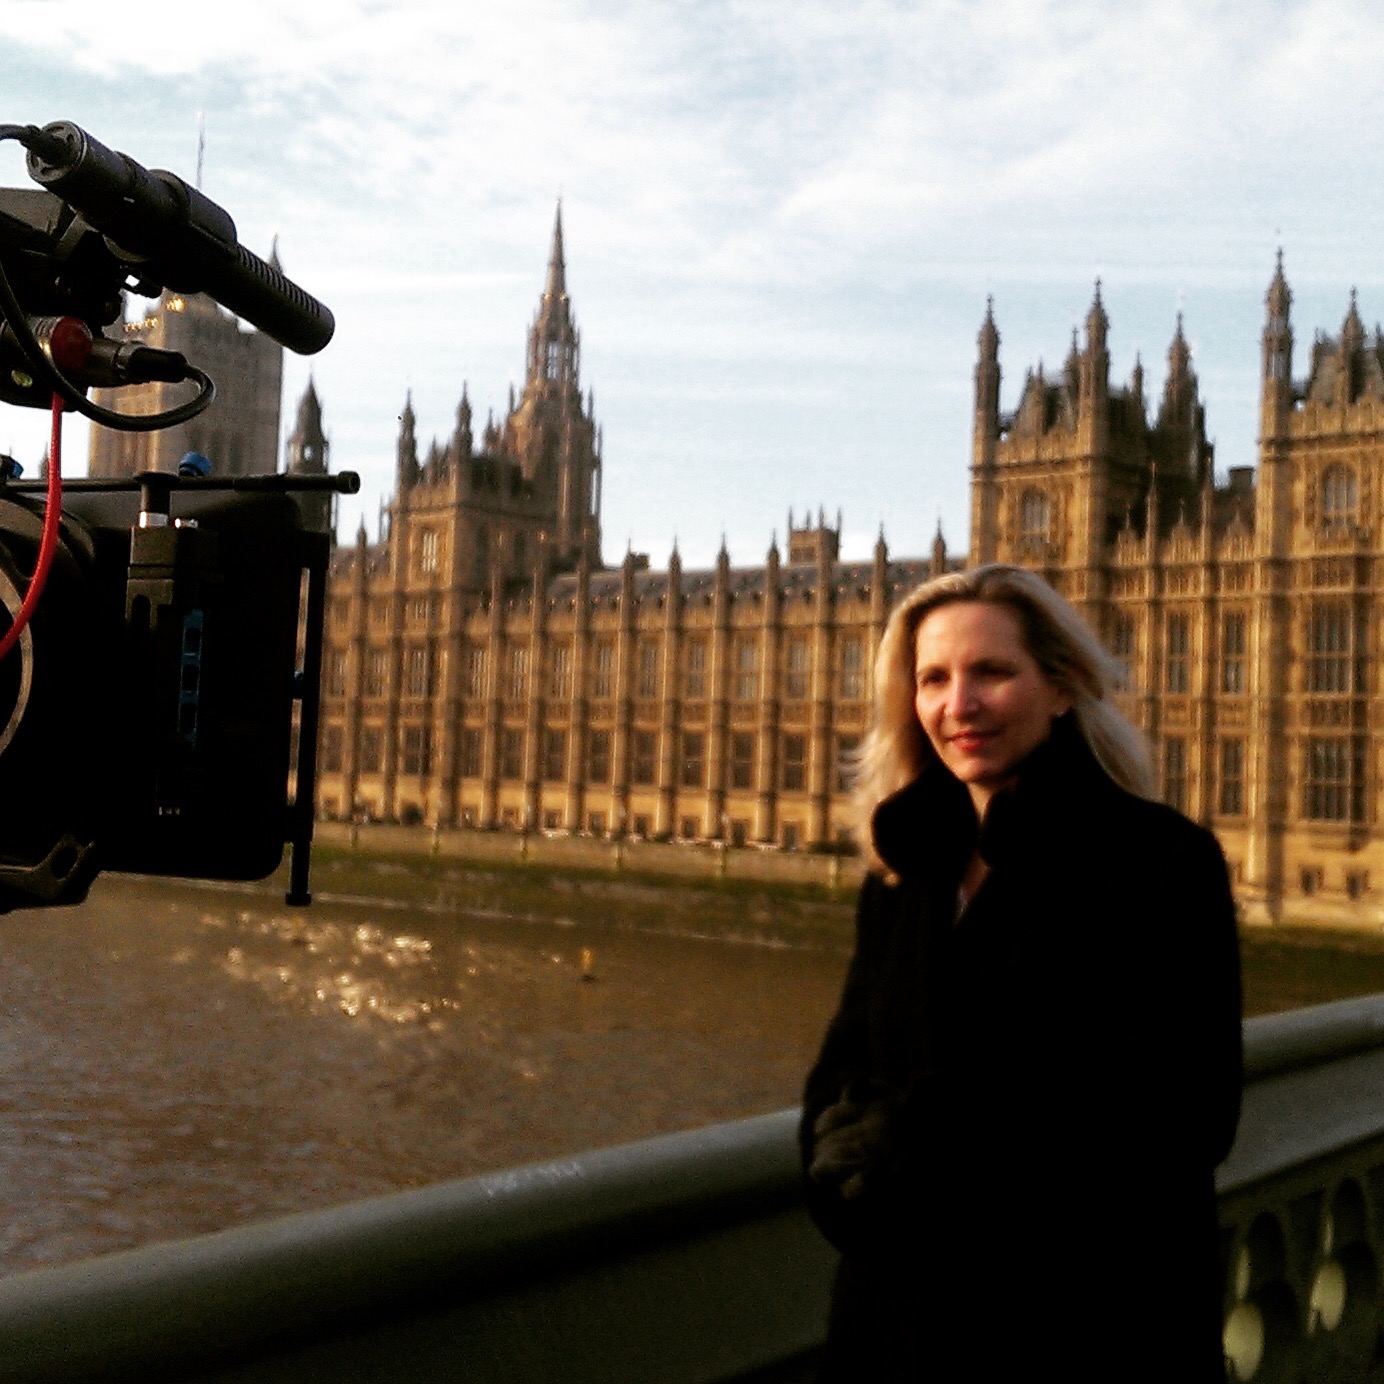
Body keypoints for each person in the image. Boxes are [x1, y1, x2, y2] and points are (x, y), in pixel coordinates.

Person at [800, 564, 1242, 1381]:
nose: (957, 704)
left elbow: (1184, 1119)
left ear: (1064, 686)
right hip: (896, 1334)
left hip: (1087, 1336)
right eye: (933, 678)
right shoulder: (901, 872)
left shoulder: (1160, 863)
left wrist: (921, 1148)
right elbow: (837, 1081)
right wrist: (843, 1173)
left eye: (992, 672)